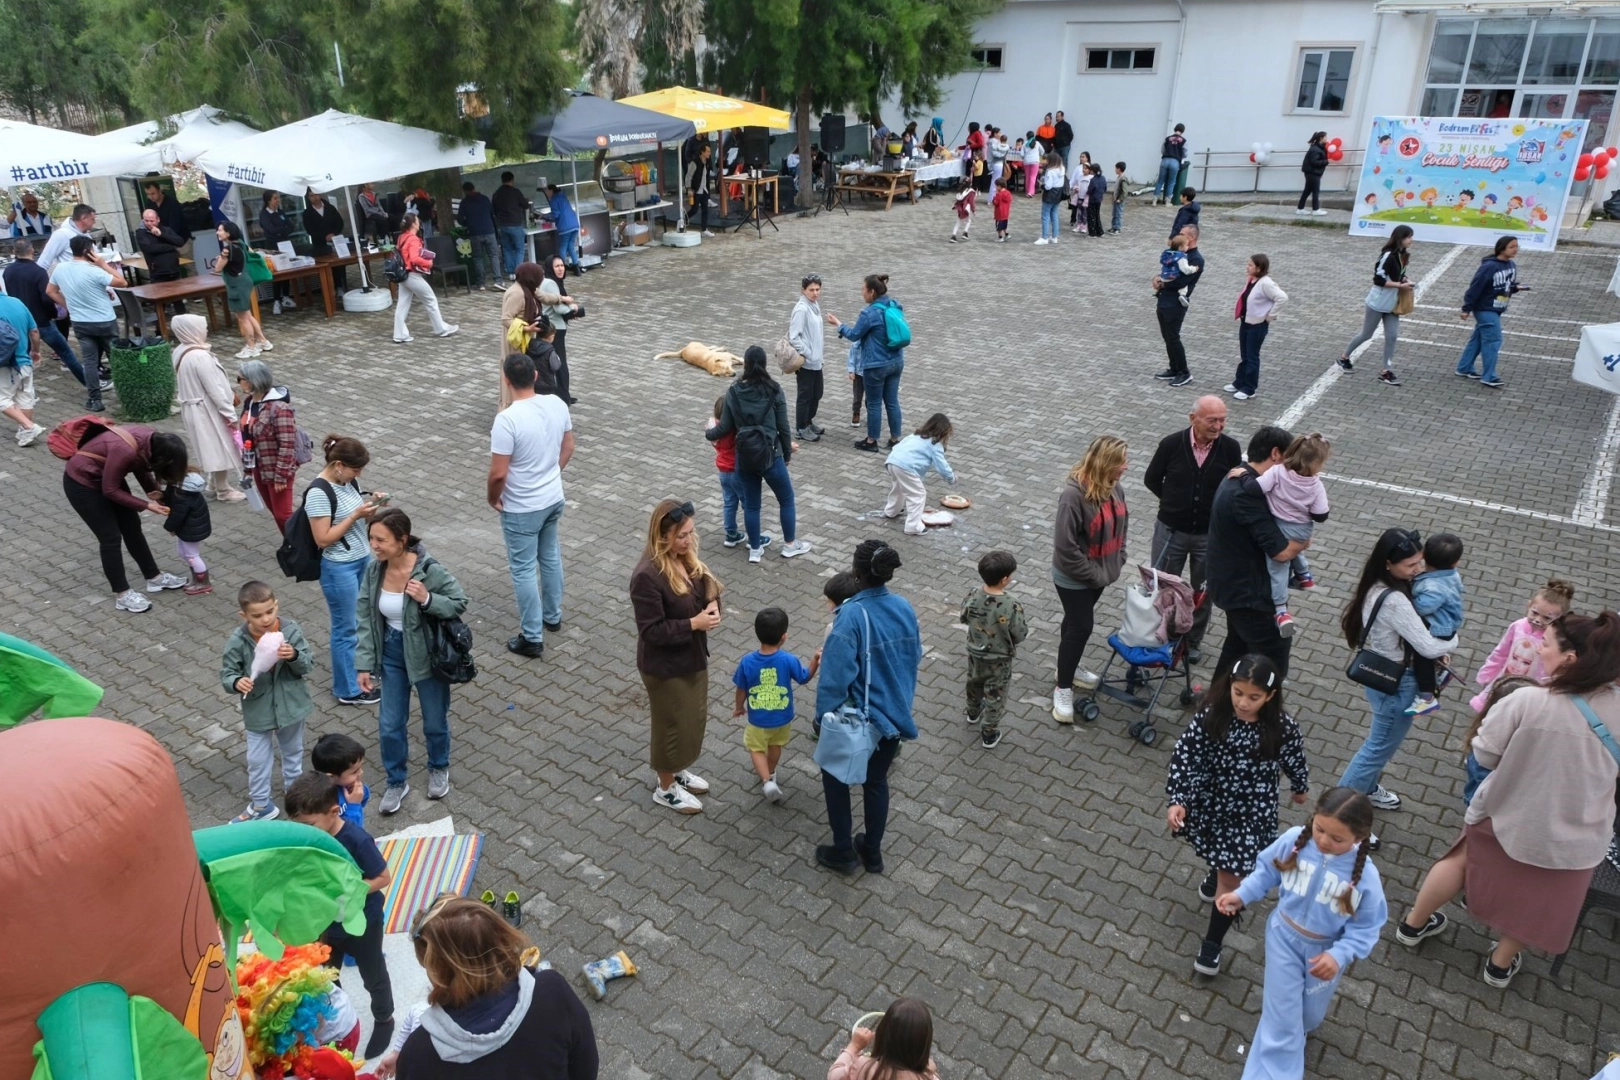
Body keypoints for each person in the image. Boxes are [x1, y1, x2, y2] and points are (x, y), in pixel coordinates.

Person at [1394, 612, 1620, 990]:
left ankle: (1413, 925)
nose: (1539, 647)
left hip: (1506, 817)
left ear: (1570, 659)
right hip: (1577, 837)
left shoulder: (1527, 700)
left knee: (1460, 861)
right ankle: (1499, 965)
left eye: (1546, 643)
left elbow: (1482, 755)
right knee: (1538, 898)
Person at [1216, 788, 1386, 1079]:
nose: (1323, 841)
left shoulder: (1366, 878)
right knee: (1282, 1021)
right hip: (1283, 938)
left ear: (1359, 839)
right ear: (1313, 819)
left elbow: (1367, 926)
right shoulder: (1294, 839)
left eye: (1337, 839)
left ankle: (1297, 1033)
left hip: (1325, 953)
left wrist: (1339, 954)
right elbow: (1267, 871)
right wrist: (1242, 894)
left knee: (1307, 1016)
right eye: (1319, 829)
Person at [1167, 654, 1310, 976]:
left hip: (1252, 812)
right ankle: (1217, 872)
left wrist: (1300, 786)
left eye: (1254, 697)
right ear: (1229, 686)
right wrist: (1178, 799)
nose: (1244, 703)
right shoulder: (1211, 715)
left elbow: (1294, 757)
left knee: (1232, 879)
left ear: (1270, 696)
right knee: (1224, 865)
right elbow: (1186, 755)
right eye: (1238, 693)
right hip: (1211, 802)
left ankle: (1212, 943)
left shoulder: (1282, 727)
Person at [393, 896, 599, 1078]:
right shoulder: (553, 992)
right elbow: (586, 1068)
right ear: (500, 937)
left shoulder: (417, 1058)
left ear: (437, 972)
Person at [815, 539, 922, 874]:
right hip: (895, 715)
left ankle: (844, 852)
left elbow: (835, 679)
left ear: (857, 573)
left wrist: (822, 718)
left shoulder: (849, 617)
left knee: (835, 779)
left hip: (859, 719)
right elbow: (913, 657)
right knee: (876, 782)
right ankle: (872, 853)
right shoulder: (904, 606)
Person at [1335, 528, 1457, 819]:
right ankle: (1339, 815)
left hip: (1382, 676)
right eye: (1411, 565)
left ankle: (1368, 787)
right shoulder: (1395, 600)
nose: (1418, 570)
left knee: (1379, 745)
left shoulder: (1377, 584)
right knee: (1376, 749)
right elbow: (1428, 646)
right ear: (1389, 563)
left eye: (1420, 562)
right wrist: (1453, 640)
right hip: (1398, 684)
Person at [356, 507, 469, 814]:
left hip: (426, 655)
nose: (374, 546)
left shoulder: (429, 570)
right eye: (371, 539)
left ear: (402, 540)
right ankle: (396, 781)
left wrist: (427, 599)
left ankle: (438, 766)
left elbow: (459, 601)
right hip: (391, 655)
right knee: (390, 724)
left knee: (434, 720)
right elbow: (365, 618)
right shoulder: (373, 570)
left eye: (381, 539)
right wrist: (363, 663)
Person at [283, 772, 398, 1058]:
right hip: (325, 925)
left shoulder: (356, 840)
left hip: (363, 922)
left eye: (308, 825)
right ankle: (338, 1021)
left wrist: (352, 891)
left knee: (373, 974)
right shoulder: (309, 838)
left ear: (333, 812)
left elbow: (383, 877)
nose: (303, 831)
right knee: (325, 976)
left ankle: (385, 1018)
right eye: (297, 826)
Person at [629, 498, 724, 815]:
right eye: (682, 535)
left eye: (690, 533)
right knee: (670, 726)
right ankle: (665, 786)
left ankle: (678, 769)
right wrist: (693, 623)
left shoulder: (684, 558)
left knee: (690, 722)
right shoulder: (646, 575)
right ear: (663, 535)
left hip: (692, 658)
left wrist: (712, 606)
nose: (689, 540)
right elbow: (651, 632)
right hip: (665, 668)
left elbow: (706, 587)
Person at [1143, 396, 1242, 664]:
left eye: (1222, 420)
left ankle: (1192, 641)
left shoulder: (1231, 448)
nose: (1219, 426)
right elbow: (1151, 478)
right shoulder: (1171, 444)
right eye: (1212, 420)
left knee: (1203, 592)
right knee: (1163, 587)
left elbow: (1233, 487)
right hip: (1170, 531)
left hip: (1209, 536)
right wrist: (1173, 503)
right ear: (1193, 419)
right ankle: (1160, 635)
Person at [490, 352, 575, 659]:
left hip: (522, 507)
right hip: (553, 498)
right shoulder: (556, 404)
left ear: (506, 380)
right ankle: (553, 616)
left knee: (524, 568)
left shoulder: (507, 419)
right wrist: (551, 474)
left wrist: (492, 497)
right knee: (550, 555)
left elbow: (499, 472)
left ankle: (532, 636)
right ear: (536, 376)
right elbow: (569, 446)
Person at [1205, 425, 1305, 680]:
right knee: (1271, 661)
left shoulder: (1238, 476)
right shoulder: (1246, 495)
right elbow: (1282, 552)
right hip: (1250, 596)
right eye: (1290, 459)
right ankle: (1260, 714)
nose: (1293, 468)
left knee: (1236, 650)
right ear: (1275, 454)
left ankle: (1214, 708)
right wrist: (1304, 541)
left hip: (1232, 587)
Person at [62, 424, 190, 612]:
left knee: (132, 528)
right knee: (110, 538)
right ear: (161, 457)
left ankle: (154, 577)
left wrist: (154, 493)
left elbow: (141, 467)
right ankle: (122, 594)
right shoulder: (125, 450)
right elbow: (110, 490)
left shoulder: (149, 442)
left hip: (107, 476)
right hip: (83, 484)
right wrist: (147, 505)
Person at [1050, 435, 1129, 722]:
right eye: (1121, 461)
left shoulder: (1114, 486)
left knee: (1073, 622)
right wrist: (1095, 574)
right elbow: (1065, 546)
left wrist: (1118, 558)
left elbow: (1123, 524)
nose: (1125, 467)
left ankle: (1065, 668)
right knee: (1081, 626)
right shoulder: (1073, 495)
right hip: (1074, 577)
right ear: (1105, 463)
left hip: (1100, 575)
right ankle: (1063, 688)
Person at [705, 346, 810, 562]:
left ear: (744, 363)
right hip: (771, 455)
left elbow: (724, 426)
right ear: (764, 364)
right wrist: (786, 454)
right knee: (786, 499)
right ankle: (790, 544)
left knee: (752, 505)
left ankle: (754, 549)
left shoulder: (734, 390)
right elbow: (783, 425)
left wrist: (709, 433)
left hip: (745, 458)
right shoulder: (774, 389)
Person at [220, 580, 311, 820]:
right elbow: (227, 673)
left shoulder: (290, 630)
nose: (265, 619)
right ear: (244, 615)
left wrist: (293, 655)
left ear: (276, 605)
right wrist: (236, 681)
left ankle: (295, 796)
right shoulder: (238, 641)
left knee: (293, 753)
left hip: (291, 706)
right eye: (257, 615)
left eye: (270, 611)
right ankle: (262, 806)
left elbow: (306, 666)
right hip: (258, 710)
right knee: (257, 759)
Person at [306, 435, 384, 705]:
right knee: (346, 627)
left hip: (362, 560)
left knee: (364, 619)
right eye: (355, 469)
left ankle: (363, 669)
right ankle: (348, 689)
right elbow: (323, 539)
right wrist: (355, 516)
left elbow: (361, 522)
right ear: (338, 464)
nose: (358, 474)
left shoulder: (348, 482)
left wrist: (372, 505)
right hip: (340, 568)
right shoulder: (318, 493)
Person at [732, 607, 821, 802]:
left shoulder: (747, 662)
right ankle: (771, 772)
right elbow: (804, 677)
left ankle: (766, 780)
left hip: (758, 720)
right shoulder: (789, 660)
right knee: (775, 745)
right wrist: (815, 660)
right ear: (784, 636)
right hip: (783, 717)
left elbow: (741, 689)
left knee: (756, 749)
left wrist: (739, 707)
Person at [1253, 432, 1330, 636]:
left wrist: (1243, 477)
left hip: (1279, 526)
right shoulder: (1316, 484)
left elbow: (1258, 488)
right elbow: (1321, 514)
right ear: (1314, 463)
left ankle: (1280, 610)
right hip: (1302, 529)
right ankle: (1304, 575)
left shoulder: (1278, 472)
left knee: (1277, 568)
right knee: (1296, 548)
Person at [1466, 579, 1575, 715]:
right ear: (1529, 606)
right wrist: (1488, 673)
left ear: (1560, 618)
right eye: (1534, 613)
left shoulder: (1554, 639)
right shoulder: (1517, 626)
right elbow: (1501, 652)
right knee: (1493, 710)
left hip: (1533, 689)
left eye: (1547, 618)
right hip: (1506, 680)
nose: (1537, 620)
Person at [170, 314, 246, 501]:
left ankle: (213, 484)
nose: (205, 331)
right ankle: (223, 489)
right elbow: (215, 390)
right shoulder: (200, 356)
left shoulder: (179, 351)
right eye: (202, 327)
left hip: (193, 408)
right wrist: (230, 415)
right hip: (206, 409)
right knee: (219, 446)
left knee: (210, 447)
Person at [828, 274, 906, 452]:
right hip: (896, 361)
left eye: (863, 290)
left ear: (872, 292)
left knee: (874, 403)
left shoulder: (869, 313)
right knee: (892, 401)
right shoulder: (894, 305)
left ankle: (871, 441)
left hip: (876, 365)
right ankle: (895, 439)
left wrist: (839, 324)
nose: (861, 293)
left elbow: (854, 334)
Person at [962, 550, 1028, 750]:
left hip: (975, 652)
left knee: (974, 682)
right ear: (1005, 579)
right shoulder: (1011, 604)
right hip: (999, 659)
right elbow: (1020, 632)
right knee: (995, 695)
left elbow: (964, 616)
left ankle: (972, 712)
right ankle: (989, 733)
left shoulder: (973, 594)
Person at [3, 239, 85, 399]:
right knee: (66, 353)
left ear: (15, 252)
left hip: (20, 321)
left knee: (22, 358)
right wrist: (53, 314)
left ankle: (22, 392)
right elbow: (46, 298)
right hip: (41, 321)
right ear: (32, 250)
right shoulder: (38, 271)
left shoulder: (8, 271)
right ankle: (89, 384)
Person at [46, 234, 121, 407]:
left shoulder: (60, 269)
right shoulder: (94, 270)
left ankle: (95, 399)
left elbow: (51, 291)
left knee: (89, 361)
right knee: (116, 358)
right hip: (105, 321)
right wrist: (103, 264)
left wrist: (69, 306)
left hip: (81, 322)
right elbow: (122, 282)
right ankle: (128, 394)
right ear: (88, 251)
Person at [1339, 225, 1415, 384]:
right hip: (1378, 302)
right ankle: (1344, 357)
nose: (1411, 240)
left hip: (1393, 303)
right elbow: (1378, 280)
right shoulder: (1388, 255)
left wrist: (1405, 279)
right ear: (1400, 238)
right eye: (1408, 237)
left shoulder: (1403, 255)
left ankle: (1386, 371)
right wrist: (1400, 286)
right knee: (1367, 334)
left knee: (1392, 336)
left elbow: (1398, 274)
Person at [236, 358, 302, 531]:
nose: (238, 383)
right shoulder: (250, 403)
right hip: (259, 466)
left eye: (240, 379)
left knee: (283, 514)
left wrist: (281, 476)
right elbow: (248, 437)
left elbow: (287, 444)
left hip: (276, 470)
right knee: (275, 511)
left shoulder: (280, 408)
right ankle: (292, 546)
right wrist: (248, 470)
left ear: (252, 382)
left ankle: (303, 546)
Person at [1455, 235, 1526, 389]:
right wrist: (1467, 308)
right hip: (1485, 308)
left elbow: (1506, 285)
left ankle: (1464, 367)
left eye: (1516, 246)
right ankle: (1489, 376)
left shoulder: (1511, 265)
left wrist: (1515, 288)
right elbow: (1475, 287)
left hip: (1498, 307)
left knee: (1478, 339)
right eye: (1512, 247)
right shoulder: (1489, 267)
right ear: (1502, 248)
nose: (1516, 249)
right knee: (1494, 340)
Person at [1406, 532, 1465, 716]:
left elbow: (1420, 609)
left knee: (1421, 651)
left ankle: (1427, 696)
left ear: (1423, 555)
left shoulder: (1434, 587)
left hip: (1440, 627)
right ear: (1456, 562)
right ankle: (1441, 665)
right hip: (1445, 623)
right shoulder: (1451, 575)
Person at [827, 997, 938, 1080]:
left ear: (883, 1035)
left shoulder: (864, 1067)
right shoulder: (928, 1077)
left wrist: (853, 1046)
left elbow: (833, 1076)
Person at [883, 413, 955, 536]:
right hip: (906, 467)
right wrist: (951, 478)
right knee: (917, 494)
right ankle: (913, 526)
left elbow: (899, 447)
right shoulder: (934, 445)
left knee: (899, 488)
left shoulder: (914, 436)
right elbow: (942, 466)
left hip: (892, 461)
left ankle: (891, 510)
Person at [1228, 253, 1288, 400]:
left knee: (1252, 356)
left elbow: (1282, 297)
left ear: (1259, 268)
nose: (1247, 267)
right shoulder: (1252, 280)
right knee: (1244, 355)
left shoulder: (1266, 283)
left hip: (1257, 325)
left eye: (1250, 265)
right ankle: (1239, 381)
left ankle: (1249, 388)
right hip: (1245, 322)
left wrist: (1269, 316)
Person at [392, 213, 458, 345]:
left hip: (403, 274)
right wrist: (429, 263)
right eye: (417, 221)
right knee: (430, 299)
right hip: (412, 275)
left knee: (402, 305)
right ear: (414, 224)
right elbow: (415, 258)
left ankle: (399, 334)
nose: (419, 222)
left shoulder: (401, 237)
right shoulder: (413, 239)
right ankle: (441, 329)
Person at [1152, 222, 1204, 387]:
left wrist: (1162, 283)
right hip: (1164, 299)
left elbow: (1180, 281)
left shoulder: (1195, 259)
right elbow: (1167, 270)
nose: (1178, 235)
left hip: (1176, 303)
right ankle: (1173, 368)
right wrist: (1157, 278)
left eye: (1182, 233)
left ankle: (1184, 372)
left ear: (1191, 238)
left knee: (1173, 337)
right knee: (1167, 336)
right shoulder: (1175, 253)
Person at [213, 222, 271, 358]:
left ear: (228, 233)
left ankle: (251, 347)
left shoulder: (227, 250)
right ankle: (263, 341)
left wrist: (221, 258)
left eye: (220, 230)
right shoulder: (241, 244)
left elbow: (218, 268)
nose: (218, 232)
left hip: (236, 285)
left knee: (242, 318)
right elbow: (249, 255)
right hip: (245, 281)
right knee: (248, 314)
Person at [0, 285, 44, 446]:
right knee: (24, 397)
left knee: (2, 398)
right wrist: (35, 351)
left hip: (5, 364)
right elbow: (34, 331)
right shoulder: (17, 302)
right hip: (24, 361)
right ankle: (26, 432)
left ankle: (29, 426)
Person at [161, 470, 213, 594]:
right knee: (183, 553)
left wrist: (169, 527)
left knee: (192, 556)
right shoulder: (181, 488)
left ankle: (203, 582)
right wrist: (162, 496)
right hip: (188, 528)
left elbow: (177, 515)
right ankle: (197, 579)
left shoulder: (183, 496)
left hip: (191, 530)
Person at [706, 395, 748, 548]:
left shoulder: (713, 426)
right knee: (747, 504)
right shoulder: (733, 429)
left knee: (729, 503)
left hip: (723, 470)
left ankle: (731, 534)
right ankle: (754, 536)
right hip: (736, 470)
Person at [539, 255, 580, 404]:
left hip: (553, 326)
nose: (561, 268)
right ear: (550, 268)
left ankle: (562, 394)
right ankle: (563, 397)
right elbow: (559, 308)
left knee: (555, 362)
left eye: (562, 265)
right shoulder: (550, 283)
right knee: (559, 362)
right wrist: (573, 308)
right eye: (557, 266)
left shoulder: (550, 281)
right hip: (555, 328)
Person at [790, 274, 826, 440]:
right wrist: (808, 353)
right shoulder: (801, 309)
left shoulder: (814, 305)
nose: (815, 293)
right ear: (803, 290)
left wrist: (819, 356)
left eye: (818, 289)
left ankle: (808, 421)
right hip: (806, 363)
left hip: (817, 361)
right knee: (805, 395)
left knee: (817, 393)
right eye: (811, 290)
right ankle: (801, 427)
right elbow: (794, 337)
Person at [312, 731, 371, 829]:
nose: (361, 773)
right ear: (331, 777)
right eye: (354, 771)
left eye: (360, 767)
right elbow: (347, 832)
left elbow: (363, 800)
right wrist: (354, 805)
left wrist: (361, 791)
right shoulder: (324, 802)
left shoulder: (347, 786)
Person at [456, 181, 501, 289]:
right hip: (489, 231)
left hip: (474, 233)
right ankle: (498, 280)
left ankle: (481, 283)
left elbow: (459, 219)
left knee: (477, 258)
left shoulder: (464, 202)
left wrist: (467, 224)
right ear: (474, 188)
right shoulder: (485, 199)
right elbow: (492, 214)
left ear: (465, 191)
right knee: (494, 256)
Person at [302, 189, 349, 291]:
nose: (315, 197)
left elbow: (339, 222)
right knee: (326, 265)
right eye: (312, 196)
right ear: (308, 198)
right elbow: (310, 230)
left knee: (340, 264)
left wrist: (334, 233)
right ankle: (330, 288)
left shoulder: (330, 208)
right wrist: (324, 236)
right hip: (320, 244)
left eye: (316, 194)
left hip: (335, 240)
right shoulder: (307, 213)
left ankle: (341, 285)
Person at [257, 192, 296, 314]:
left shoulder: (281, 212)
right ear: (268, 201)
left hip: (285, 245)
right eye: (275, 198)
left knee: (287, 271)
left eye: (278, 198)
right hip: (273, 247)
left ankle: (285, 296)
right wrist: (283, 229)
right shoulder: (264, 214)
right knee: (277, 274)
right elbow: (271, 230)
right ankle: (276, 300)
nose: (277, 200)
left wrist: (282, 230)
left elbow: (291, 227)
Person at [492, 172, 533, 279]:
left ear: (502, 180)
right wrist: (526, 200)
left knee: (507, 248)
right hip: (515, 224)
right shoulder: (516, 192)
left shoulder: (496, 194)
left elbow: (494, 210)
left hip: (503, 225)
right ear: (512, 180)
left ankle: (510, 272)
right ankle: (518, 272)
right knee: (520, 249)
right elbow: (525, 205)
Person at [134, 208, 186, 286]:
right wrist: (171, 246)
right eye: (146, 221)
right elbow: (149, 248)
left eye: (152, 221)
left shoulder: (165, 230)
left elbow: (180, 242)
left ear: (158, 219)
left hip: (174, 270)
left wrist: (161, 235)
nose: (149, 224)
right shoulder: (141, 233)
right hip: (158, 273)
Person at [38, 203, 95, 271]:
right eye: (92, 219)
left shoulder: (86, 234)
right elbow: (43, 263)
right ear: (84, 218)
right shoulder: (61, 235)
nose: (94, 222)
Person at [544, 182, 582, 274]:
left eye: (547, 191)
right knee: (571, 246)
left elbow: (556, 215)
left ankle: (562, 268)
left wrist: (546, 217)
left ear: (551, 191)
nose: (546, 193)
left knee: (563, 246)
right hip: (574, 224)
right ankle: (577, 268)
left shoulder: (554, 200)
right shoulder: (563, 197)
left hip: (565, 227)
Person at [1155, 232, 1198, 307]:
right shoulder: (1181, 256)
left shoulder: (1168, 253)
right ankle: (1183, 296)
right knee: (1184, 285)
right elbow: (1185, 269)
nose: (1187, 247)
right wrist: (1194, 269)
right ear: (1181, 247)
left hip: (1163, 277)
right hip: (1172, 277)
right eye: (1186, 245)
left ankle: (1158, 292)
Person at [1295, 131, 1330, 215]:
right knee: (1315, 191)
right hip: (1313, 173)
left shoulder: (1318, 148)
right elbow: (1314, 162)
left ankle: (1300, 209)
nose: (1327, 139)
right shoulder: (1316, 149)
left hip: (1312, 172)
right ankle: (1316, 210)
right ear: (1321, 138)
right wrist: (1326, 162)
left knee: (1307, 191)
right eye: (1325, 137)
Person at [685, 142, 715, 237]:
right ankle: (684, 220)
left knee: (705, 209)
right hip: (696, 190)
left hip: (704, 189)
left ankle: (704, 229)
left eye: (710, 151)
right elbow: (689, 176)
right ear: (702, 152)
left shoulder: (707, 162)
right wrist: (689, 188)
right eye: (707, 151)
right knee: (694, 209)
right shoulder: (695, 162)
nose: (709, 153)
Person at [1036, 153, 1066, 245]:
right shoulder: (1062, 169)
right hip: (1058, 194)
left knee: (1045, 216)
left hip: (1050, 194)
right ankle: (1054, 237)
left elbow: (1048, 186)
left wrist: (1042, 185)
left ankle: (1044, 237)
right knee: (1054, 215)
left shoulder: (1050, 171)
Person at [1155, 123, 1187, 205]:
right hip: (1175, 161)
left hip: (1164, 160)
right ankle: (1167, 201)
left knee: (1160, 181)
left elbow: (1162, 150)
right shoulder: (1183, 141)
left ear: (1175, 129)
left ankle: (1155, 199)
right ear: (1182, 131)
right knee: (1171, 181)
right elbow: (1185, 153)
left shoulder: (1168, 138)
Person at [949, 178, 975, 243]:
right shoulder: (971, 192)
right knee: (968, 221)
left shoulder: (960, 190)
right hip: (966, 209)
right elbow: (971, 202)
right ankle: (963, 233)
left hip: (960, 208)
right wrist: (973, 210)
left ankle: (955, 235)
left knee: (959, 222)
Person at [1021, 133, 1043, 198]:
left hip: (1027, 162)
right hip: (1035, 161)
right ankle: (1031, 192)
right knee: (1033, 177)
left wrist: (1024, 158)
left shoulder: (1025, 144)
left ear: (1027, 137)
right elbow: (1042, 151)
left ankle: (1027, 191)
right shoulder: (1037, 143)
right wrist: (1038, 155)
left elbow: (1021, 154)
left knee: (1027, 177)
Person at [992, 177, 1013, 243]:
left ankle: (1000, 237)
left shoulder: (999, 195)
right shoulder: (1008, 193)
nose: (995, 188)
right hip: (1006, 213)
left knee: (998, 227)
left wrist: (994, 198)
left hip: (999, 214)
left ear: (999, 186)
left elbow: (995, 203)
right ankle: (1007, 234)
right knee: (1004, 225)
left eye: (996, 186)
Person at [1109, 161, 1127, 234]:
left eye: (1116, 168)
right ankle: (1113, 227)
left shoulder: (1123, 179)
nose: (1115, 170)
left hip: (1119, 200)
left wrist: (1120, 198)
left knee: (1118, 214)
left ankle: (1117, 228)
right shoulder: (1119, 177)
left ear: (1119, 169)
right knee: (1114, 213)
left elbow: (1124, 191)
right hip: (1116, 199)